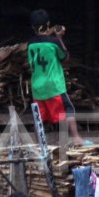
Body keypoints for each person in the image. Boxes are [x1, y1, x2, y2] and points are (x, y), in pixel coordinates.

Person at [27, 9, 83, 146]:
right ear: (48, 24)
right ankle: (76, 138)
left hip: (38, 87)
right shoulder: (53, 42)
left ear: (32, 27)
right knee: (67, 110)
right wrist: (59, 37)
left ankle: (37, 143)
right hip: (54, 86)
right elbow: (65, 57)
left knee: (38, 117)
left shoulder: (30, 44)